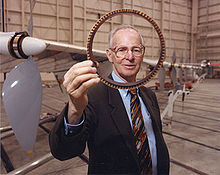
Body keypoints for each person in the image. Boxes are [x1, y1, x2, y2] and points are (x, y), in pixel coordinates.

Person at [49, 25, 170, 175]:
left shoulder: (149, 95)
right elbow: (63, 151)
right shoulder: (92, 96)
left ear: (142, 53)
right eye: (122, 50)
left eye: (136, 50)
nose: (130, 57)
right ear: (110, 55)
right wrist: (75, 108)